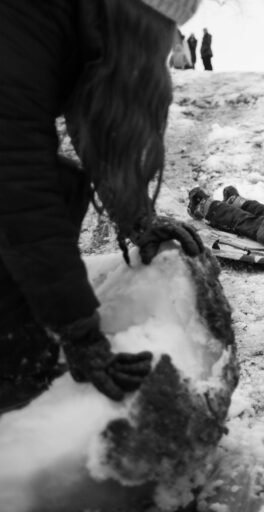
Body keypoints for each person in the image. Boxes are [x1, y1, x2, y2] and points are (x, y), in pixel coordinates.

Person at [0, 0, 206, 414]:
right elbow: (16, 177)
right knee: (45, 190)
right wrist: (78, 329)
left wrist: (137, 219)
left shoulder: (77, 29)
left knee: (65, 185)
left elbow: (96, 124)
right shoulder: (28, 17)